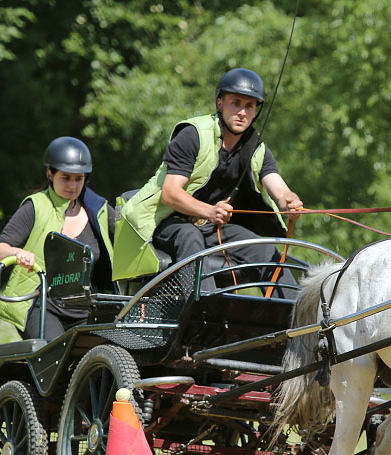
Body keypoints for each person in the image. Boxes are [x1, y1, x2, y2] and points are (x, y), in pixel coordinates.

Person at [112, 68, 302, 296]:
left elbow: (278, 189)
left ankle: (295, 319)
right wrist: (209, 211)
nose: (242, 112)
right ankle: (205, 311)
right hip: (166, 222)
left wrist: (289, 203)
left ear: (256, 111)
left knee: (262, 249)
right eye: (236, 102)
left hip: (213, 227)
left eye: (249, 106)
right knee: (189, 236)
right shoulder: (192, 135)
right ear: (220, 103)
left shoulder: (256, 147)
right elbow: (170, 193)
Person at [0, 137, 115, 340]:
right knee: (55, 356)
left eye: (78, 179)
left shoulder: (99, 211)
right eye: (65, 178)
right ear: (50, 173)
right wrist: (17, 253)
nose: (72, 186)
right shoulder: (35, 207)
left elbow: (131, 234)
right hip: (41, 306)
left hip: (87, 311)